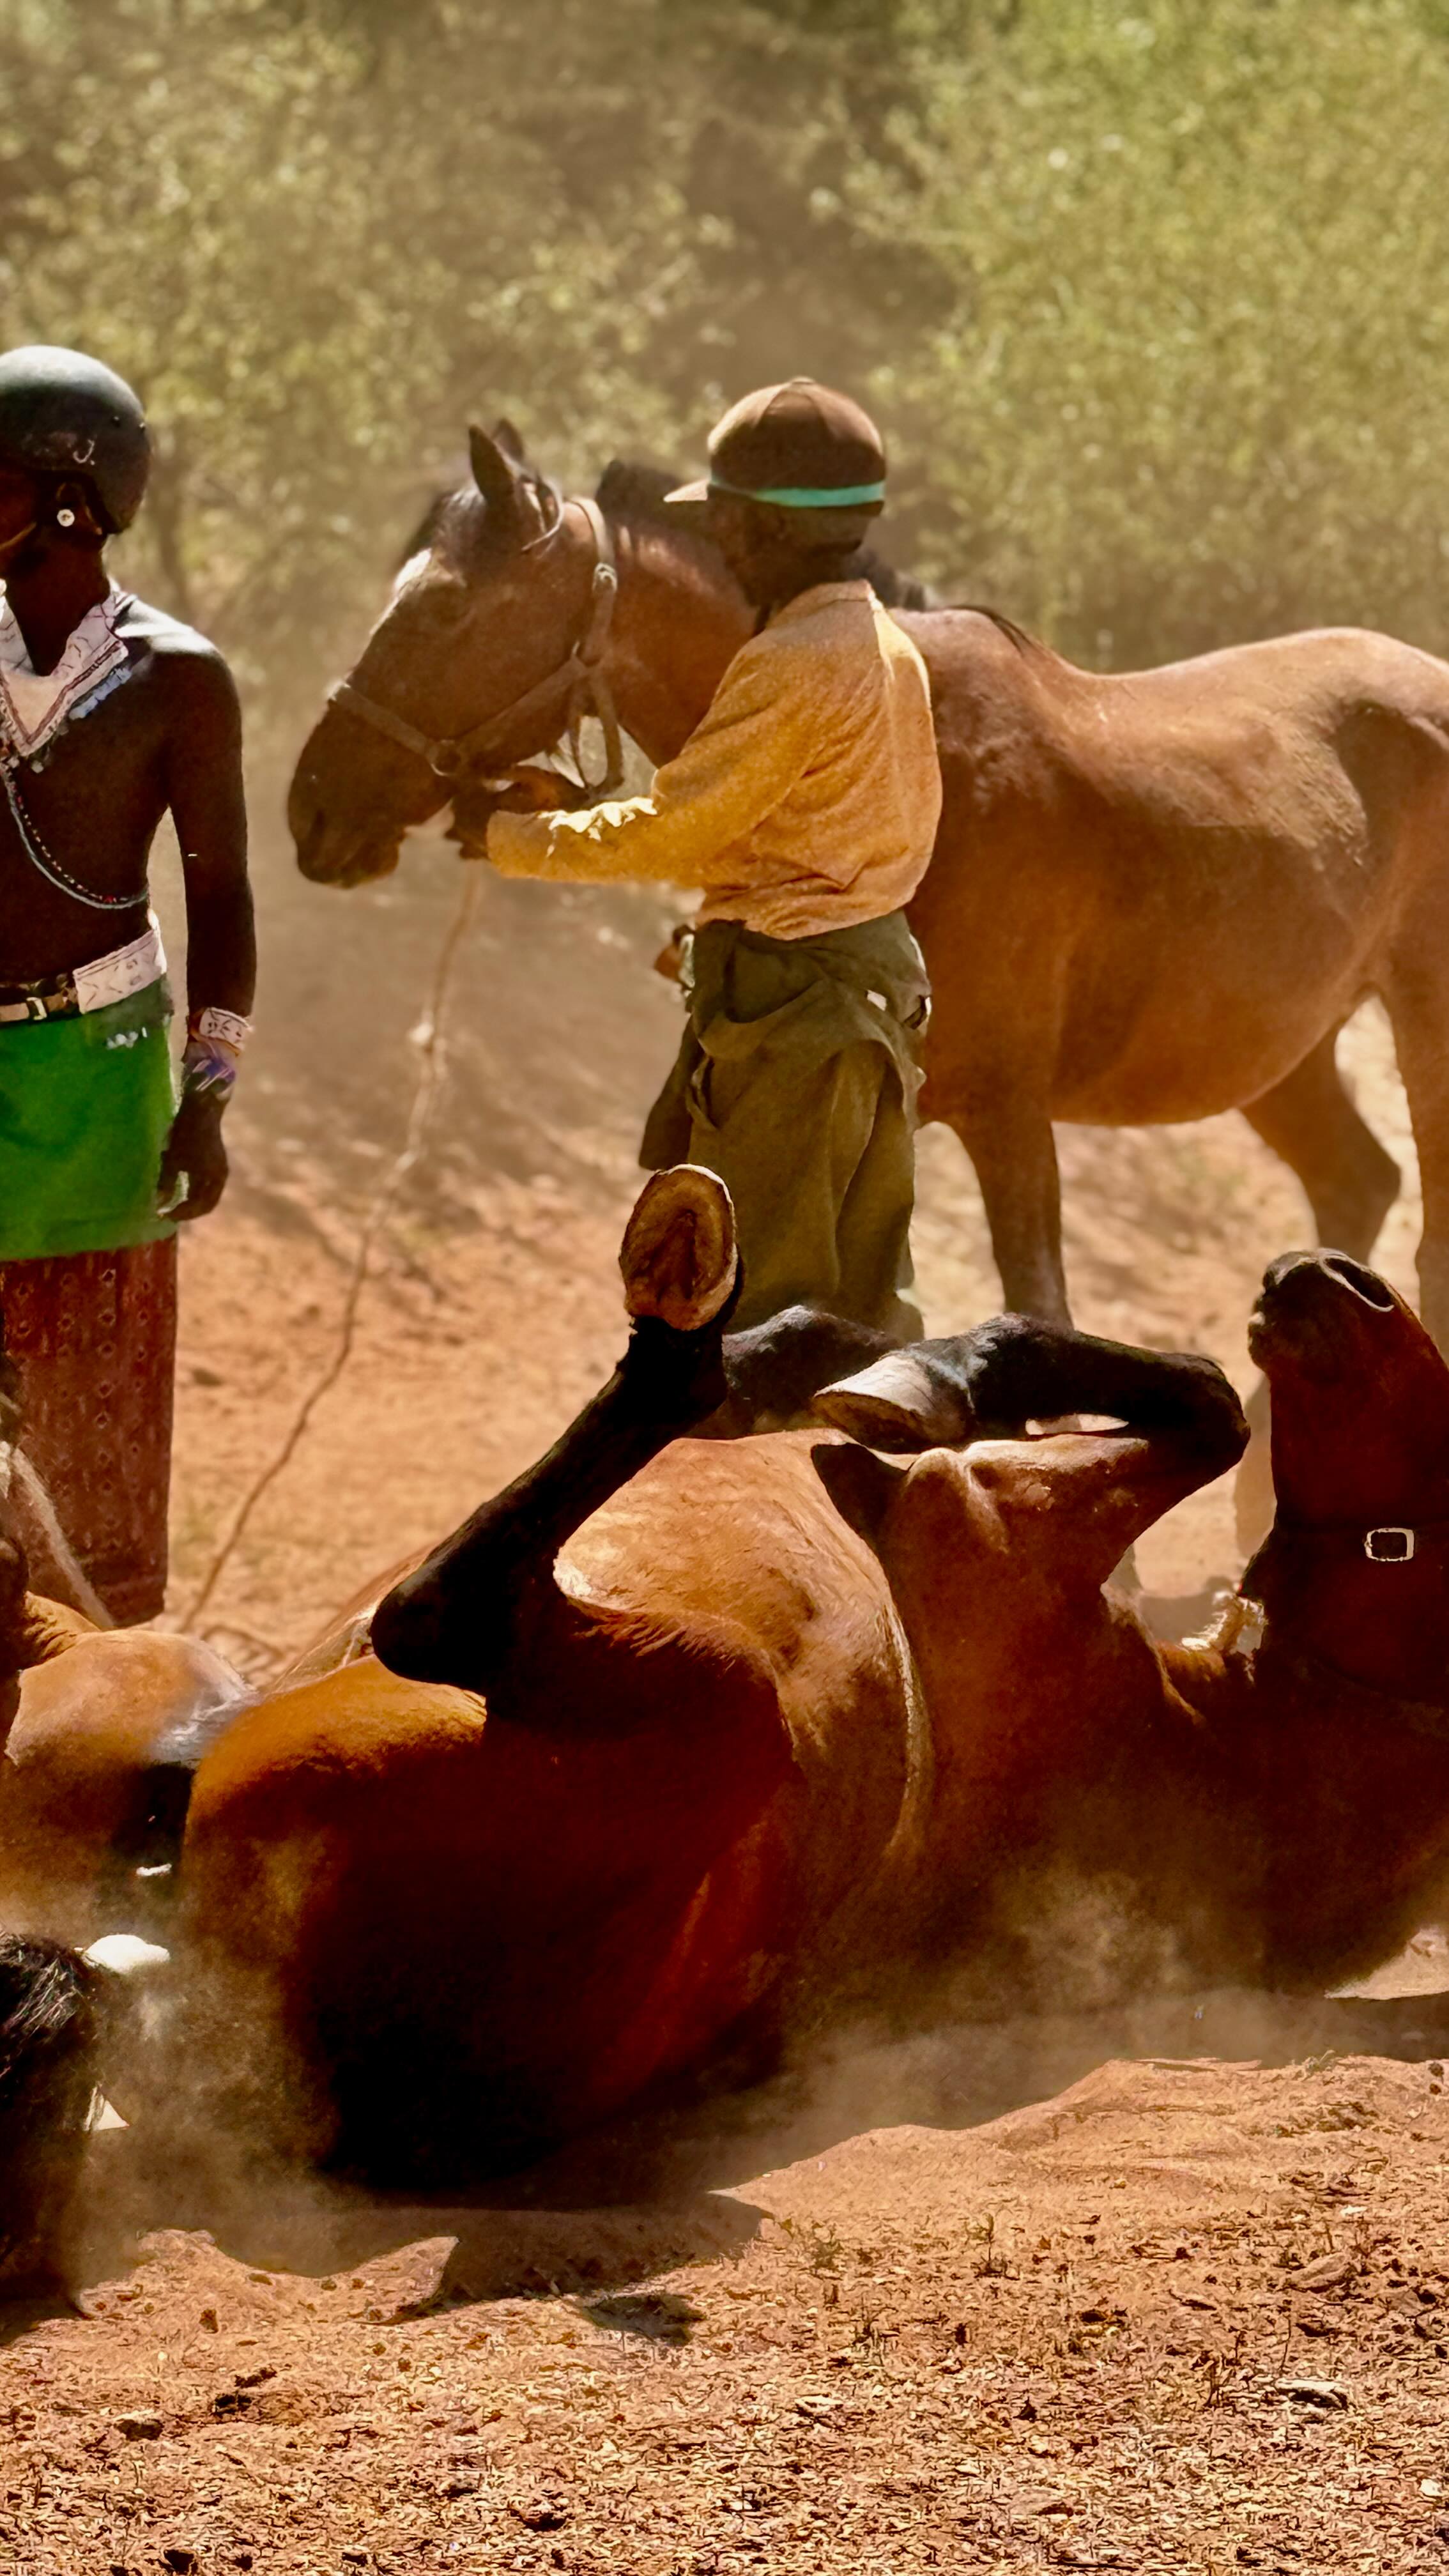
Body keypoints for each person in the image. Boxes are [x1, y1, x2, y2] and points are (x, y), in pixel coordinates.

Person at [464, 378, 942, 1337]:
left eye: (724, 520)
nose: (719, 542)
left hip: (791, 1022)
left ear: (764, 529)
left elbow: (682, 831)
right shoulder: (886, 646)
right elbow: (782, 827)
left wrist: (509, 838)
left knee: (747, 1320)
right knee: (856, 1323)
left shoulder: (793, 660)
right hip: (866, 1006)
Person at [0, 345, 255, 1622]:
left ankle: (105, 1748)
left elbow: (222, 898)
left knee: (88, 1443)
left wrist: (206, 1097)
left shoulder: (179, 679)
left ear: (69, 499)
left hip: (104, 1087)